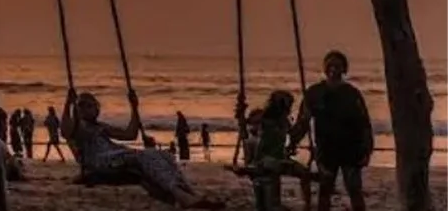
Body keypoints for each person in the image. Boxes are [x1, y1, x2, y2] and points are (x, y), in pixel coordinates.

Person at [63, 90, 221, 209]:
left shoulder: (101, 127)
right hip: (100, 161)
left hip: (117, 156)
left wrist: (134, 107)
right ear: (78, 109)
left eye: (91, 105)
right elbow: (65, 131)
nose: (88, 109)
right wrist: (68, 104)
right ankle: (182, 196)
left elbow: (130, 134)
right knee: (145, 156)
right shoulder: (77, 127)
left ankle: (189, 194)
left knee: (163, 156)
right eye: (83, 106)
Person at [289, 50, 373, 211]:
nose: (333, 69)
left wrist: (367, 150)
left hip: (352, 149)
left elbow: (364, 124)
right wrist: (293, 141)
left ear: (344, 69)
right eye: (330, 65)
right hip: (326, 149)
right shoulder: (314, 93)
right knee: (325, 189)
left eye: (338, 66)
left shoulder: (352, 94)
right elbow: (303, 121)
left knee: (354, 189)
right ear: (325, 68)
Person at [228, 90, 314, 211]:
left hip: (279, 159)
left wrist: (304, 120)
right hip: (265, 159)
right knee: (269, 200)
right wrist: (240, 109)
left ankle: (307, 205)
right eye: (288, 105)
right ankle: (304, 205)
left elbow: (294, 134)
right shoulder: (264, 119)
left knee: (304, 173)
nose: (289, 109)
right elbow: (246, 125)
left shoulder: (284, 121)